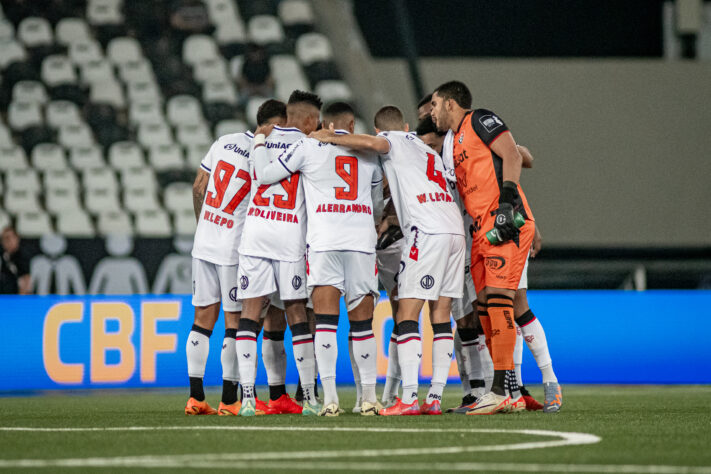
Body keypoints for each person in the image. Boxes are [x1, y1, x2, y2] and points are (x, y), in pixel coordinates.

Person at [311, 105, 465, 416]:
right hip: (455, 231)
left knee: (406, 313)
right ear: (406, 124)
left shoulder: (392, 140)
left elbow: (376, 145)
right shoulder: (426, 150)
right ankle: (434, 396)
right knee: (441, 313)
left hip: (427, 232)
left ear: (381, 130)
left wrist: (332, 137)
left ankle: (408, 398)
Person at [252, 102, 384, 417]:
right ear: (351, 125)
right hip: (361, 244)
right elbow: (378, 206)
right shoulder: (368, 153)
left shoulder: (308, 146)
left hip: (324, 243)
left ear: (324, 123)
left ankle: (330, 400)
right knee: (363, 325)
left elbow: (265, 174)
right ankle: (367, 398)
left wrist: (258, 140)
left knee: (325, 323)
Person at [431, 80, 535, 415]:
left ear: (450, 103)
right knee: (484, 306)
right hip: (479, 229)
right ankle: (510, 392)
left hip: (501, 220)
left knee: (500, 298)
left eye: (434, 105)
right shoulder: (452, 139)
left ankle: (501, 389)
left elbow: (513, 154)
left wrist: (507, 202)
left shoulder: (480, 119)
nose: (431, 112)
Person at [184, 99, 286, 416]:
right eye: (281, 127)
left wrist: (205, 226)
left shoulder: (223, 142)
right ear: (271, 126)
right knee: (233, 322)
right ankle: (229, 400)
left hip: (204, 244)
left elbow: (198, 187)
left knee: (202, 321)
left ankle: (196, 397)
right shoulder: (265, 156)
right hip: (231, 250)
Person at [235, 90, 323, 416]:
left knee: (250, 311)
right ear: (309, 119)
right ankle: (310, 398)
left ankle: (246, 398)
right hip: (289, 236)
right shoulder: (309, 144)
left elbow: (255, 176)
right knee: (296, 312)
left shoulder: (260, 138)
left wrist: (259, 140)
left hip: (256, 232)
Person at [0, 226, 31, 295]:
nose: (6, 241)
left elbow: (26, 280)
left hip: (16, 297)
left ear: (17, 239)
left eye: (9, 238)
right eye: (3, 239)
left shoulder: (23, 256)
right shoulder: (3, 255)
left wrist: (19, 300)